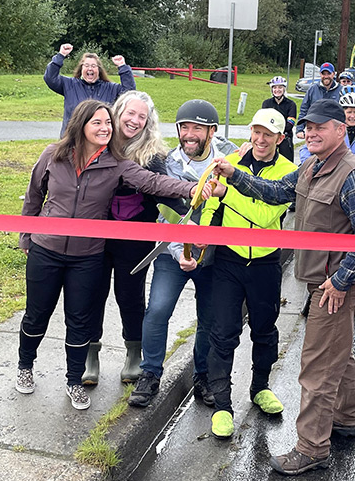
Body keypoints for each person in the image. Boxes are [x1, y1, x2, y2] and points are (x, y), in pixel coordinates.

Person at [212, 98, 355, 475]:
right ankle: (346, 419)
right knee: (339, 354)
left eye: (322, 127)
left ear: (341, 130)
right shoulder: (311, 166)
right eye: (308, 127)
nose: (312, 132)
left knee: (317, 367)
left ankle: (311, 447)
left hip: (334, 286)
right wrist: (234, 173)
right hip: (321, 281)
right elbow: (273, 192)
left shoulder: (351, 174)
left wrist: (339, 282)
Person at [17, 99, 210, 410]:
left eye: (107, 123)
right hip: (47, 249)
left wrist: (190, 190)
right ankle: (25, 366)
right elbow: (34, 195)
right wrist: (26, 236)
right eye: (98, 123)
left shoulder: (116, 164)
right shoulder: (53, 155)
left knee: (80, 318)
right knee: (37, 315)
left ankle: (74, 380)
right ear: (81, 125)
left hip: (88, 254)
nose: (106, 128)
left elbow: (154, 182)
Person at [128, 100, 238, 409]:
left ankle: (202, 375)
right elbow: (166, 213)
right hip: (172, 251)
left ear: (212, 132)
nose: (189, 135)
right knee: (158, 310)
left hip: (213, 255)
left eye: (197, 129)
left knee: (209, 318)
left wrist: (203, 250)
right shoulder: (165, 163)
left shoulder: (229, 162)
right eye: (184, 128)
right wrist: (181, 253)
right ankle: (150, 374)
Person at [199, 109, 297, 438]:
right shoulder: (233, 161)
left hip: (267, 262)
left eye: (268, 134)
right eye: (256, 132)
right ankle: (223, 406)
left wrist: (229, 194)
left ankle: (260, 387)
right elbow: (212, 200)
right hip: (229, 260)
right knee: (223, 333)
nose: (260, 139)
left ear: (280, 139)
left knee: (265, 330)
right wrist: (201, 235)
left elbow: (265, 215)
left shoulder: (289, 172)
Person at [84, 91, 186, 385]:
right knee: (92, 294)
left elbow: (165, 191)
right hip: (96, 238)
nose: (135, 120)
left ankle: (133, 353)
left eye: (142, 116)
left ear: (148, 122)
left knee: (129, 296)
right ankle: (90, 354)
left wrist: (190, 218)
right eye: (131, 113)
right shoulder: (97, 145)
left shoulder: (152, 156)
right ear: (118, 112)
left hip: (135, 241)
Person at [44, 44, 135, 136]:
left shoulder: (111, 88)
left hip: (101, 142)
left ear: (99, 70)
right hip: (72, 141)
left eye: (93, 66)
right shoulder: (69, 84)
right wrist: (60, 55)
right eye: (86, 65)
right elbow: (50, 78)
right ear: (81, 69)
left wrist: (123, 67)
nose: (90, 68)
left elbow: (129, 92)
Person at [296, 63, 341, 139]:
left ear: (333, 74)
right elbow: (304, 109)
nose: (326, 76)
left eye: (328, 73)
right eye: (323, 74)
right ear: (320, 74)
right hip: (315, 130)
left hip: (333, 132)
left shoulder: (341, 90)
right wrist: (299, 129)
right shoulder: (313, 89)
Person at [261, 76, 297, 162]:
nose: (277, 90)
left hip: (285, 135)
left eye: (280, 87)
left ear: (284, 89)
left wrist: (278, 132)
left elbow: (290, 124)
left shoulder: (291, 104)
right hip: (270, 135)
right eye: (275, 87)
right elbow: (263, 120)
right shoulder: (266, 103)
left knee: (286, 161)